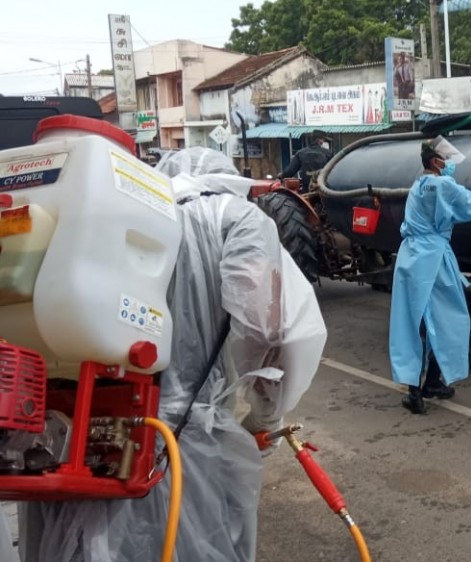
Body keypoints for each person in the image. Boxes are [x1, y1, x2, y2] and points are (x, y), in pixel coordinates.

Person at [18, 147, 327, 561]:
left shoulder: (119, 212)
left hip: (69, 440)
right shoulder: (237, 217)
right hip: (181, 444)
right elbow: (264, 330)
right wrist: (264, 418)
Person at [389, 137, 471, 414]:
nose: (451, 168)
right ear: (436, 162)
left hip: (410, 257)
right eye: (447, 162)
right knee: (446, 321)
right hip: (433, 259)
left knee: (413, 322)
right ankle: (423, 387)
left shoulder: (418, 185)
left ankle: (425, 385)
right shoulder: (442, 184)